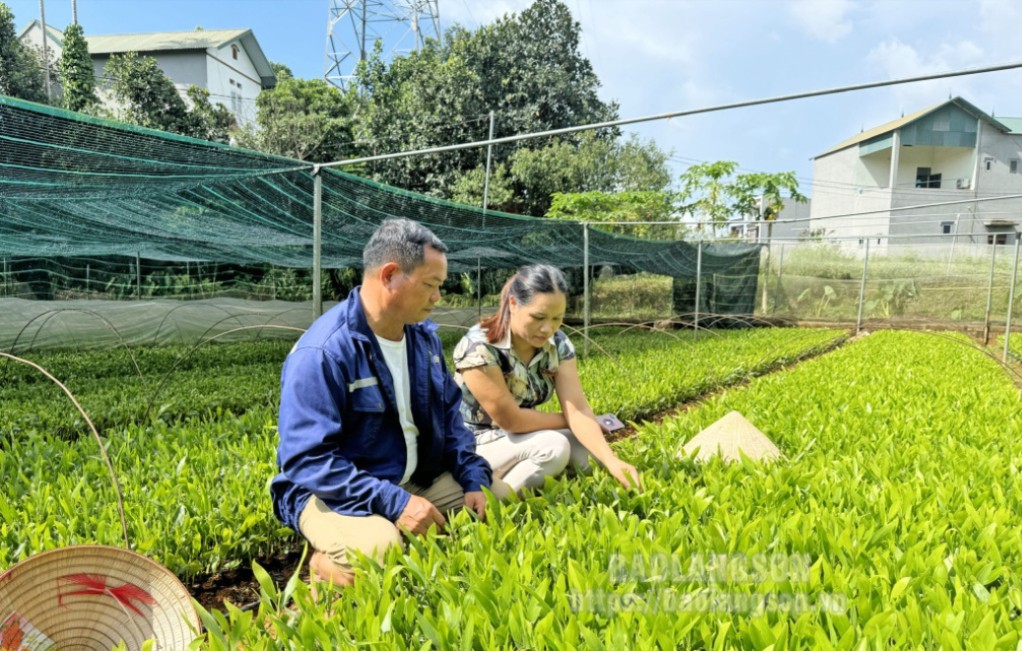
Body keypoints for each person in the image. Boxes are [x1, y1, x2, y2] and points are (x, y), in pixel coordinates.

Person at [270, 218, 507, 588]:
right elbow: (307, 460)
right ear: (391, 275)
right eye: (431, 285)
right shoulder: (323, 352)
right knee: (382, 548)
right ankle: (326, 565)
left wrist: (473, 478)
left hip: (410, 479)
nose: (437, 297)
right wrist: (395, 503)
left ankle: (395, 539)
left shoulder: (422, 341)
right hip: (332, 493)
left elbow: (451, 421)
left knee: (497, 500)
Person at [452, 264, 642, 494]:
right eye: (539, 317)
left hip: (518, 437)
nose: (547, 328)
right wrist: (571, 420)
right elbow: (511, 421)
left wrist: (611, 460)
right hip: (473, 442)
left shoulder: (558, 344)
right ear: (513, 304)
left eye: (557, 318)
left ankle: (546, 485)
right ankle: (496, 501)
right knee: (555, 447)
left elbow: (577, 406)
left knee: (588, 451)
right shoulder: (480, 346)